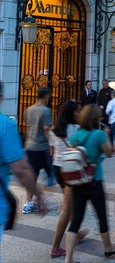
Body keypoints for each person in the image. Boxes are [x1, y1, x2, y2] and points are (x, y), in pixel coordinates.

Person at [65, 105, 115, 263]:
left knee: (76, 220)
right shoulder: (98, 134)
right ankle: (108, 248)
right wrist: (106, 135)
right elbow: (109, 153)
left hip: (77, 183)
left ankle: (68, 258)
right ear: (95, 119)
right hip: (94, 182)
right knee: (101, 217)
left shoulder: (75, 136)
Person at [0, 81, 46, 249]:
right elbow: (20, 168)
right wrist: (39, 195)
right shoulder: (5, 125)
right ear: (1, 97)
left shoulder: (27, 111)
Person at [48, 100, 89, 258]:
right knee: (66, 208)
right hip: (69, 170)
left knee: (70, 205)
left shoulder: (55, 129)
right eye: (78, 111)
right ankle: (55, 247)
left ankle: (75, 233)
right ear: (72, 113)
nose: (80, 113)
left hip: (58, 167)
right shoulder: (75, 129)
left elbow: (52, 151)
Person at [23, 86, 54, 214]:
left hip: (30, 146)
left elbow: (27, 128)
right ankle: (39, 201)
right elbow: (46, 129)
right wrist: (51, 145)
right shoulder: (46, 111)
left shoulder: (28, 109)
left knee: (32, 177)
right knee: (51, 175)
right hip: (41, 148)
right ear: (46, 96)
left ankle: (29, 203)